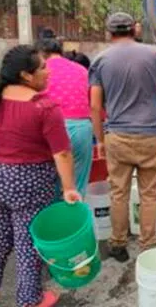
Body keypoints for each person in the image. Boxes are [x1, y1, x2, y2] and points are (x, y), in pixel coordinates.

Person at [0, 45, 81, 307]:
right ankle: (28, 301)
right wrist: (69, 188)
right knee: (28, 248)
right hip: (30, 183)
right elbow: (62, 154)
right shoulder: (44, 107)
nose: (48, 71)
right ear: (26, 76)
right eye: (42, 67)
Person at [89, 12, 156, 261]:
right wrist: (155, 121)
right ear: (134, 30)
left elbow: (94, 106)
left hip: (118, 135)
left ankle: (118, 243)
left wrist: (100, 140)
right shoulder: (153, 55)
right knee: (149, 193)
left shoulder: (100, 60)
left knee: (119, 193)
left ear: (109, 33)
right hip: (150, 134)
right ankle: (149, 244)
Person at [36, 38, 93, 198]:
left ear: (42, 54)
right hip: (82, 129)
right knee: (77, 187)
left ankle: (54, 220)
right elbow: (92, 102)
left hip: (52, 130)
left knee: (50, 186)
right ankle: (76, 220)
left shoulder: (40, 71)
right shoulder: (82, 70)